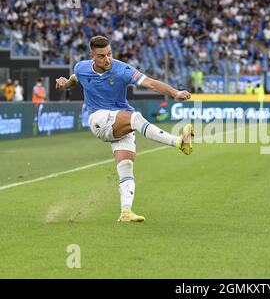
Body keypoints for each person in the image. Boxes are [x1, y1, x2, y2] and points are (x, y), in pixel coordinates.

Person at [55, 35, 193, 223]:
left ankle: (125, 212)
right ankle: (179, 142)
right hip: (99, 119)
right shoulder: (82, 67)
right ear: (92, 56)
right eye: (102, 56)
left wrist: (175, 93)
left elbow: (151, 83)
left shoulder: (122, 70)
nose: (107, 59)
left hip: (120, 122)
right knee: (135, 117)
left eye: (109, 54)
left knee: (126, 166)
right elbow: (74, 78)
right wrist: (65, 84)